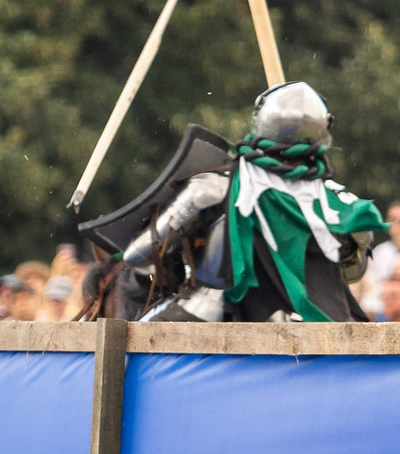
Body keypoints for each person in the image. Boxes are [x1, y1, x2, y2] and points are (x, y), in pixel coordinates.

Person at [116, 83, 383, 322]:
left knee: (135, 357)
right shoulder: (337, 205)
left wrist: (179, 268)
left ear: (262, 119)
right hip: (320, 320)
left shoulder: (214, 187)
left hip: (213, 314)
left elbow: (137, 256)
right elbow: (352, 274)